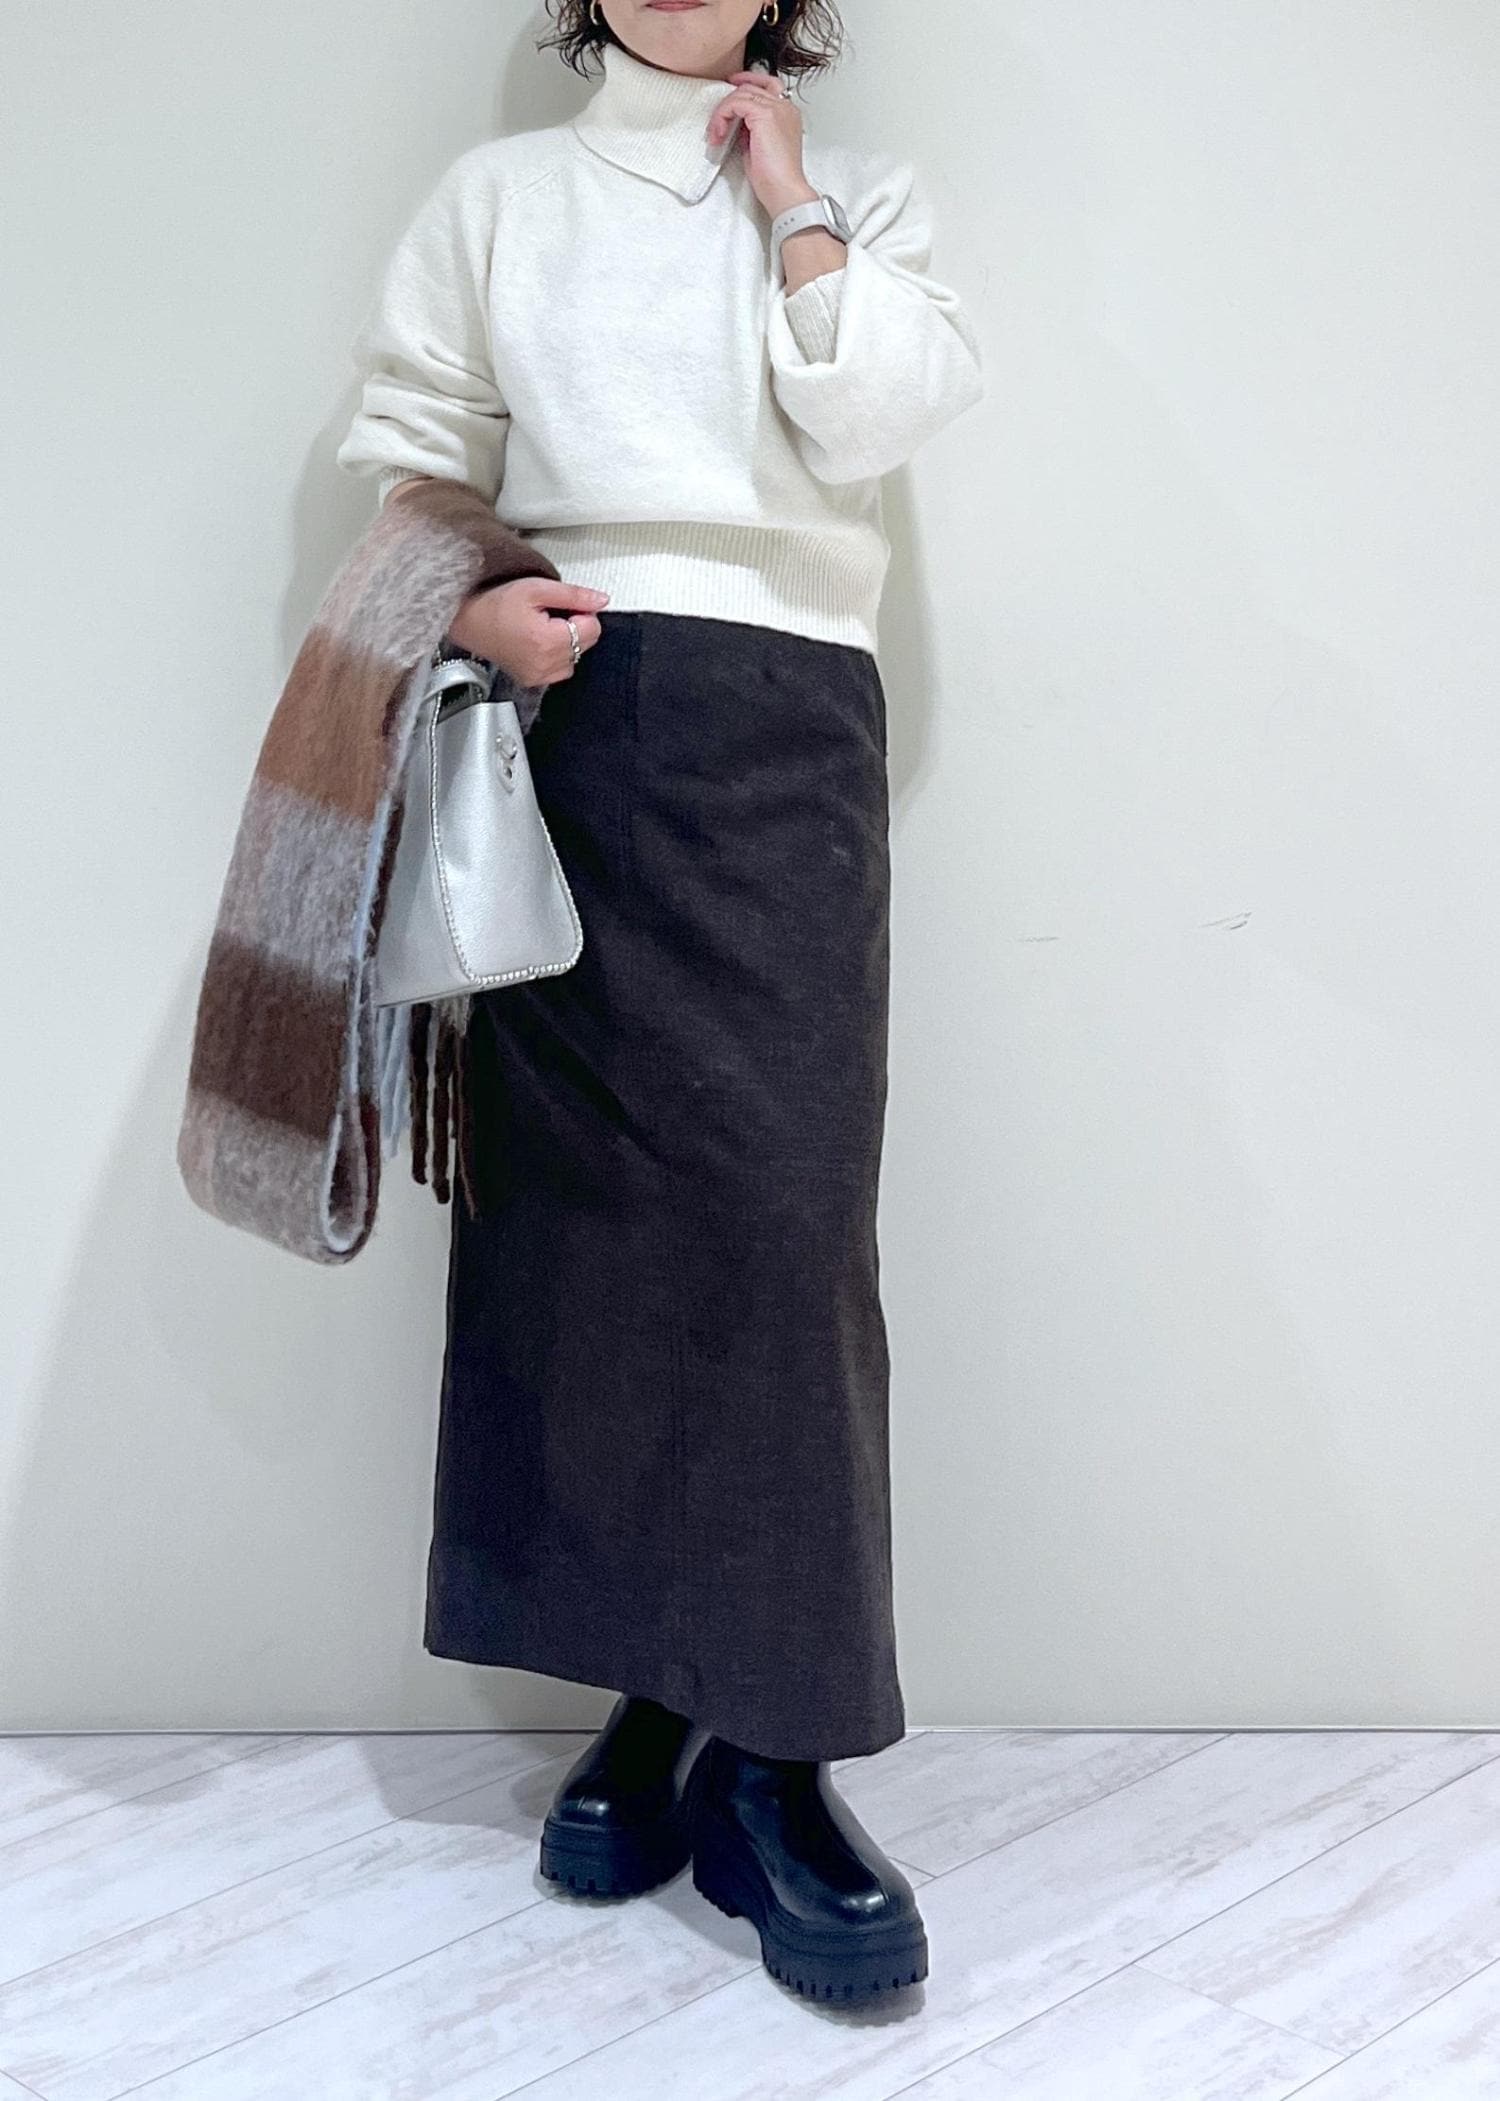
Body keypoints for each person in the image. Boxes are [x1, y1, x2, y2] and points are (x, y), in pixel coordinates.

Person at [335, 0, 984, 2000]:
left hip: (786, 722)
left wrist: (792, 206)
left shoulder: (865, 193)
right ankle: (650, 1691)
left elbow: (873, 422)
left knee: (787, 1234)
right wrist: (468, 602)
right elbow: (410, 457)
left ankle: (778, 1752)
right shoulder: (499, 198)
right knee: (581, 1232)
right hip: (565, 717)